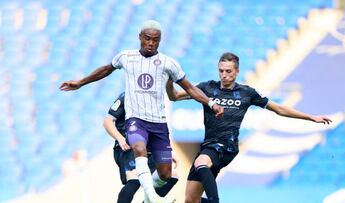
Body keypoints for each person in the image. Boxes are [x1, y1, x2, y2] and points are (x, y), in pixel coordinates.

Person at [59, 20, 224, 203]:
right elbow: (106, 70)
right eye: (147, 39)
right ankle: (153, 198)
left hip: (158, 124)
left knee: (166, 173)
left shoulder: (168, 64)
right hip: (136, 121)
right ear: (140, 37)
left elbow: (190, 88)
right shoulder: (126, 57)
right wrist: (80, 82)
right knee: (139, 148)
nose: (151, 43)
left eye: (156, 40)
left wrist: (210, 103)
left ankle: (148, 199)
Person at [165, 52, 332, 203]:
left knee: (201, 163)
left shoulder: (247, 93)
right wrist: (170, 81)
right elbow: (174, 97)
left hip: (227, 145)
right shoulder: (207, 88)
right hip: (208, 145)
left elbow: (279, 108)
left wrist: (311, 117)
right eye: (221, 71)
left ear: (237, 72)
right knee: (190, 199)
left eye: (228, 71)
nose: (224, 75)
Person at [104, 92, 178, 203]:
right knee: (135, 178)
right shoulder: (127, 96)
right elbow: (107, 121)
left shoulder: (154, 99)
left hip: (148, 148)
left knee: (171, 175)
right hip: (127, 147)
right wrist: (120, 138)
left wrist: (167, 150)